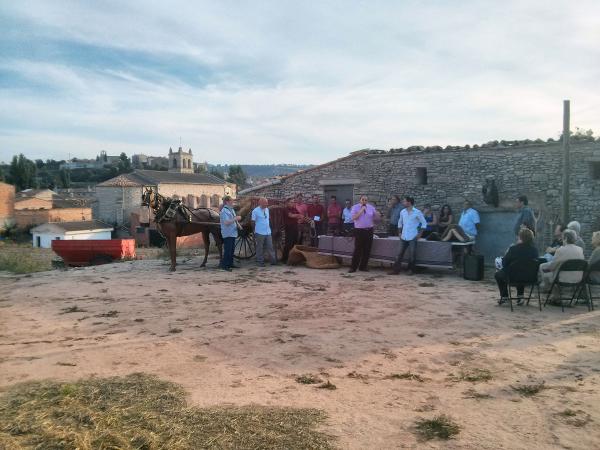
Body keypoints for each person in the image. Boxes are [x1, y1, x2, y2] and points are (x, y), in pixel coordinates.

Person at [494, 228, 539, 305]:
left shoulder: (513, 249)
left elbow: (504, 263)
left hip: (513, 277)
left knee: (498, 274)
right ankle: (520, 297)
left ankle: (505, 297)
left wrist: (508, 252)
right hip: (530, 277)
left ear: (520, 238)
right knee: (522, 270)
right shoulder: (534, 250)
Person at [388, 196, 427, 275]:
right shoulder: (403, 211)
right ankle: (396, 270)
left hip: (413, 236)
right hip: (403, 236)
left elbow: (424, 223)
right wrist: (399, 232)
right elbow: (400, 222)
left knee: (412, 254)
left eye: (404, 201)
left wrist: (420, 234)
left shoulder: (417, 212)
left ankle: (411, 270)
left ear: (409, 202)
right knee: (399, 253)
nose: (403, 203)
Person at [539, 229, 585, 293]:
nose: (561, 240)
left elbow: (552, 267)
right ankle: (553, 293)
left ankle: (549, 291)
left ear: (565, 238)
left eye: (562, 238)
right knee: (551, 270)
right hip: (578, 278)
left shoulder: (560, 250)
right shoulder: (580, 250)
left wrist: (544, 266)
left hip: (561, 279)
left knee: (543, 268)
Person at [349, 195, 380, 273]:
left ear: (367, 201)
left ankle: (363, 266)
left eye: (366, 200)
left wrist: (377, 215)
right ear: (360, 200)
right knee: (357, 249)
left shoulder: (371, 207)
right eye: (363, 200)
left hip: (369, 230)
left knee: (367, 249)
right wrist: (361, 210)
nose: (364, 201)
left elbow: (376, 219)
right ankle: (353, 267)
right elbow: (353, 218)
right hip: (359, 231)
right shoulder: (355, 207)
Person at [251, 197, 276, 267]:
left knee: (270, 246)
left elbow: (268, 219)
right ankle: (260, 262)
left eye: (267, 203)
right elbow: (252, 222)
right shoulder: (255, 211)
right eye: (265, 203)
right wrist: (254, 231)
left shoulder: (267, 209)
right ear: (260, 203)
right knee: (260, 247)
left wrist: (271, 227)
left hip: (268, 231)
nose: (267, 204)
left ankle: (273, 261)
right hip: (259, 232)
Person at [219, 195, 241, 271]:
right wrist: (236, 218)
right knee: (228, 250)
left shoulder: (231, 210)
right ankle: (225, 266)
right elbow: (226, 222)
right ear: (227, 202)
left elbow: (234, 220)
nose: (233, 202)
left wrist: (238, 225)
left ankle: (230, 264)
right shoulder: (224, 211)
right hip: (227, 233)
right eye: (231, 201)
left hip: (233, 232)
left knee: (231, 250)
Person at [282, 197, 302, 263]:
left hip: (295, 227)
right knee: (288, 243)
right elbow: (291, 215)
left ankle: (292, 258)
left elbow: (300, 215)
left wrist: (299, 218)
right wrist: (298, 216)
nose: (293, 203)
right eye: (291, 202)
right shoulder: (285, 209)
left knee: (294, 242)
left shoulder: (294, 208)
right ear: (287, 203)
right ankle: (284, 259)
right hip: (289, 228)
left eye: (293, 202)